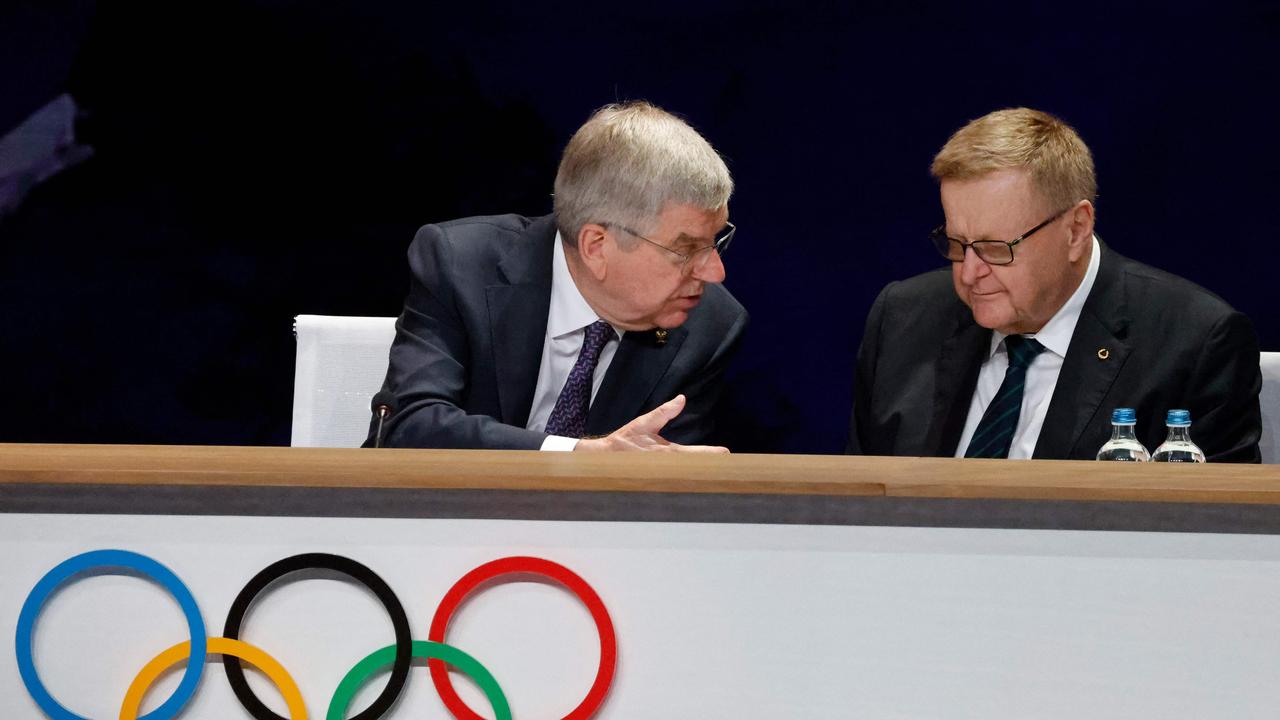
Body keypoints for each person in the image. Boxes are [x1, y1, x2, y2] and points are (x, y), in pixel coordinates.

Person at [848, 107, 1261, 462]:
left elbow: (1214, 534)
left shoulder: (1193, 343)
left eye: (995, 248)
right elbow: (853, 506)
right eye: (956, 244)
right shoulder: (904, 318)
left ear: (1076, 230)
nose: (970, 272)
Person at [370, 101, 747, 452]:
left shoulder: (709, 325)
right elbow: (408, 427)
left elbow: (666, 482)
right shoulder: (461, 265)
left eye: (716, 242)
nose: (715, 271)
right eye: (686, 249)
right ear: (597, 245)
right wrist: (577, 455)